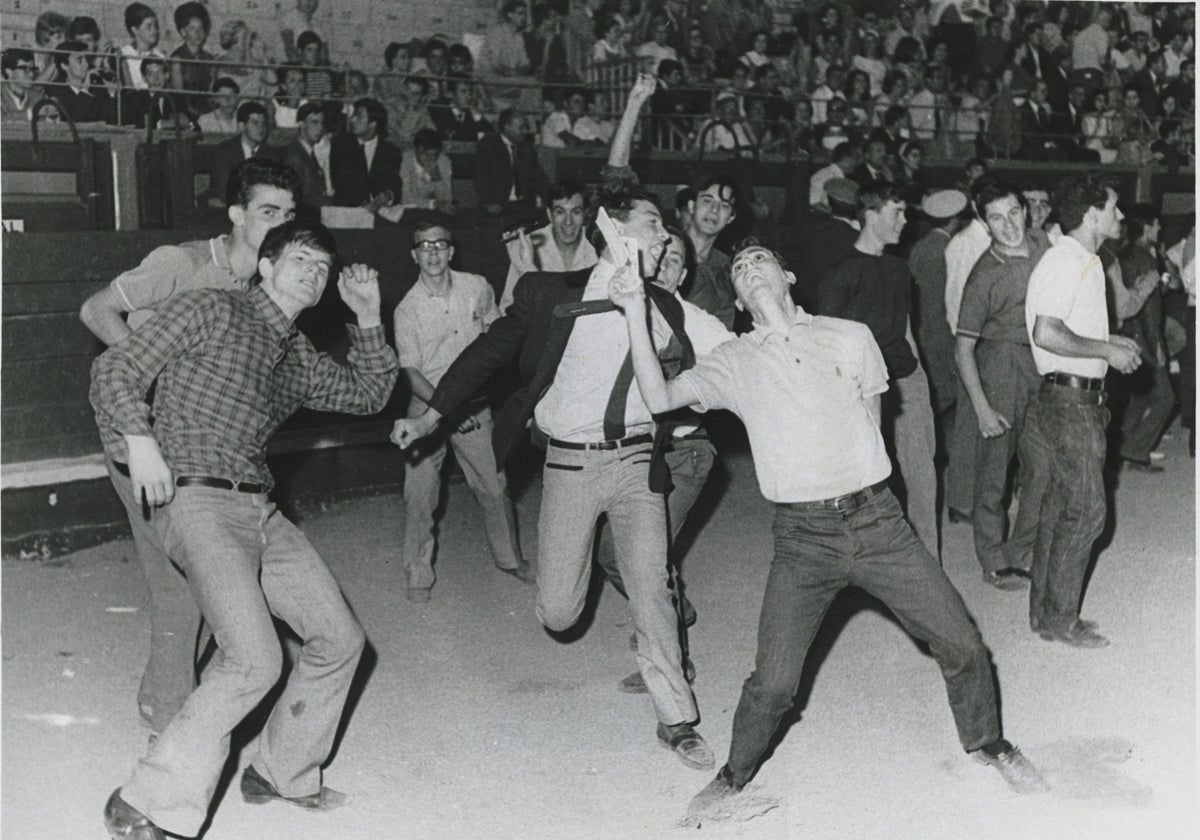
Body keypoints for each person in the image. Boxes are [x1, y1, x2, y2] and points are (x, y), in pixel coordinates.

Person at [604, 238, 1047, 824]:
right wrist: (634, 308)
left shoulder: (851, 336)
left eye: (759, 259)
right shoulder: (733, 361)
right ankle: (733, 776)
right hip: (803, 538)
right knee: (775, 684)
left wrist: (859, 482)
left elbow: (873, 418)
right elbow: (659, 397)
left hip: (878, 521)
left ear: (788, 275)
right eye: (738, 268)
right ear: (737, 297)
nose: (748, 268)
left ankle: (988, 742)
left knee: (962, 641)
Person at [391, 134, 727, 773]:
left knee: (651, 587)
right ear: (614, 230)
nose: (665, 234)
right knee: (557, 612)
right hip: (569, 466)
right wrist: (432, 416)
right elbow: (487, 354)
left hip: (635, 465)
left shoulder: (669, 308)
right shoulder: (549, 293)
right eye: (653, 223)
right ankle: (579, 608)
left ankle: (677, 719)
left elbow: (737, 352)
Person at [95, 219, 397, 840]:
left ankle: (281, 772)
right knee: (254, 659)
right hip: (196, 500)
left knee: (339, 638)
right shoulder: (209, 308)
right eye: (300, 259)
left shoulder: (299, 357)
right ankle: (144, 801)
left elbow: (370, 394)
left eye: (323, 267)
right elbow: (114, 372)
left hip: (260, 508)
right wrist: (140, 439)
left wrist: (368, 318)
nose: (314, 272)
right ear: (264, 266)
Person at [80, 160, 302, 739]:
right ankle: (170, 726)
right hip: (138, 436)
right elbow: (95, 309)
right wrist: (157, 377)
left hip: (201, 447)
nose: (281, 223)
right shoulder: (182, 263)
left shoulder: (266, 285)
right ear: (236, 215)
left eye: (290, 214)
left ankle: (161, 702)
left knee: (201, 581)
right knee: (182, 585)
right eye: (268, 212)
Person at [1021, 175, 1142, 649]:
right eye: (1114, 208)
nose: (1121, 216)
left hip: (1072, 399)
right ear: (1092, 213)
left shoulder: (1082, 260)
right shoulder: (1064, 261)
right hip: (1069, 404)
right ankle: (1061, 619)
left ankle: (1046, 615)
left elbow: (1065, 327)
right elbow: (1046, 332)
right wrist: (1106, 351)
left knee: (1060, 508)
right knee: (1088, 511)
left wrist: (1110, 343)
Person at [391, 223, 531, 602]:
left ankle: (509, 559)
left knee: (494, 484)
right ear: (414, 255)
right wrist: (445, 411)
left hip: (474, 405)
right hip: (426, 407)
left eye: (440, 244)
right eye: (424, 246)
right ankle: (418, 573)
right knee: (420, 495)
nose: (433, 252)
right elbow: (411, 373)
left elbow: (497, 333)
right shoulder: (407, 309)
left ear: (451, 251)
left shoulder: (477, 286)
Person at [819, 181, 939, 558]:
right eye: (897, 212)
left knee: (923, 478)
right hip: (861, 389)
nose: (905, 220)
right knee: (867, 480)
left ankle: (929, 565)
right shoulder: (841, 273)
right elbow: (827, 343)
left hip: (905, 381)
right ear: (870, 215)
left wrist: (921, 383)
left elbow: (906, 330)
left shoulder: (899, 269)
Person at [954, 178, 1050, 590]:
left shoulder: (1044, 244)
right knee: (994, 471)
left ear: (1026, 211)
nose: (1008, 225)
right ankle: (993, 557)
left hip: (1041, 363)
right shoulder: (983, 276)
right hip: (999, 368)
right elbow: (962, 350)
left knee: (1044, 465)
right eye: (996, 218)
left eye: (1014, 213)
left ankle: (1022, 549)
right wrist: (982, 408)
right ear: (984, 223)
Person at [942, 175, 996, 519]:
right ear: (977, 206)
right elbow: (957, 298)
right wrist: (968, 342)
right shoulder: (965, 243)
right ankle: (960, 502)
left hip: (985, 339)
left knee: (982, 421)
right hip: (970, 340)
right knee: (968, 423)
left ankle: (972, 496)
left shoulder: (987, 240)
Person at [1116, 205, 1174, 472]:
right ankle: (1136, 452)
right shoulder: (1145, 259)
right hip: (1143, 337)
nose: (1159, 229)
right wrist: (1157, 346)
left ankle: (1119, 448)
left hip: (1126, 333)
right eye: (1156, 225)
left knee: (1140, 397)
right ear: (1147, 226)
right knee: (1165, 398)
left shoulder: (1125, 252)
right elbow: (1150, 311)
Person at [909, 189, 967, 430]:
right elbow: (938, 303)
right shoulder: (943, 249)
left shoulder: (922, 245)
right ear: (955, 220)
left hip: (922, 330)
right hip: (937, 335)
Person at [499, 180, 596, 313]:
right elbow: (508, 306)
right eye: (560, 212)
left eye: (576, 212)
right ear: (549, 214)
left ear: (584, 214)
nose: (568, 221)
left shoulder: (597, 243)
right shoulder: (528, 245)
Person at [474, 108, 549, 220]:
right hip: (498, 207)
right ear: (507, 127)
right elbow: (481, 176)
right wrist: (488, 203)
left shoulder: (527, 148)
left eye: (525, 127)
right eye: (521, 127)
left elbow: (539, 179)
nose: (525, 131)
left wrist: (551, 201)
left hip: (524, 206)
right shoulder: (489, 144)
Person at [329, 97, 402, 209]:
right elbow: (339, 183)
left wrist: (388, 195)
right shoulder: (340, 145)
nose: (352, 120)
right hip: (349, 212)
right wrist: (364, 206)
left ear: (372, 123)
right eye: (354, 115)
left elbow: (394, 186)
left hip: (381, 213)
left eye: (359, 116)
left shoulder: (391, 152)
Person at [201, 101, 275, 209]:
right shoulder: (224, 151)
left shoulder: (271, 155)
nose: (261, 128)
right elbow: (223, 191)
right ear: (241, 126)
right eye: (255, 123)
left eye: (263, 123)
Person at [280, 101, 329, 216]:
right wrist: (330, 201)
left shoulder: (306, 152)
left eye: (322, 123)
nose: (320, 127)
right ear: (301, 124)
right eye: (314, 122)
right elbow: (295, 199)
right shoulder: (294, 156)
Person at [398, 128, 455, 215]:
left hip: (434, 213)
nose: (429, 159)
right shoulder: (404, 160)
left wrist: (437, 177)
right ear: (415, 149)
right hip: (406, 212)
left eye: (434, 155)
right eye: (424, 154)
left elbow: (447, 199)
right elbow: (406, 198)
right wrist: (433, 204)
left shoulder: (443, 161)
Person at [118, 2, 165, 91]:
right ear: (135, 30)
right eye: (149, 26)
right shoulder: (123, 54)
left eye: (155, 26)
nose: (154, 30)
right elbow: (128, 90)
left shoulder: (160, 56)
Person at [0, 48, 43, 121]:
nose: (31, 74)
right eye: (25, 69)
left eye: (32, 69)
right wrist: (30, 113)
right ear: (9, 72)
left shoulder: (38, 98)